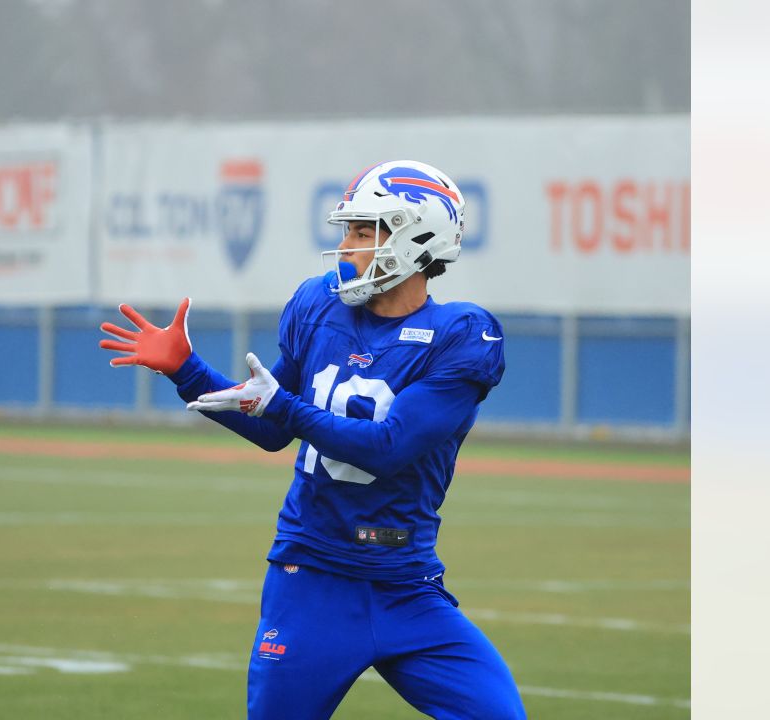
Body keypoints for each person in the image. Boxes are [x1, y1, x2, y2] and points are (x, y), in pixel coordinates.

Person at [98, 161, 525, 719]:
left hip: (406, 585)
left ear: (418, 236)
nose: (346, 246)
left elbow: (390, 446)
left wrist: (284, 406)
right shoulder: (319, 304)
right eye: (347, 230)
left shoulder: (461, 335)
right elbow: (275, 424)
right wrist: (189, 371)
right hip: (313, 578)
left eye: (364, 231)